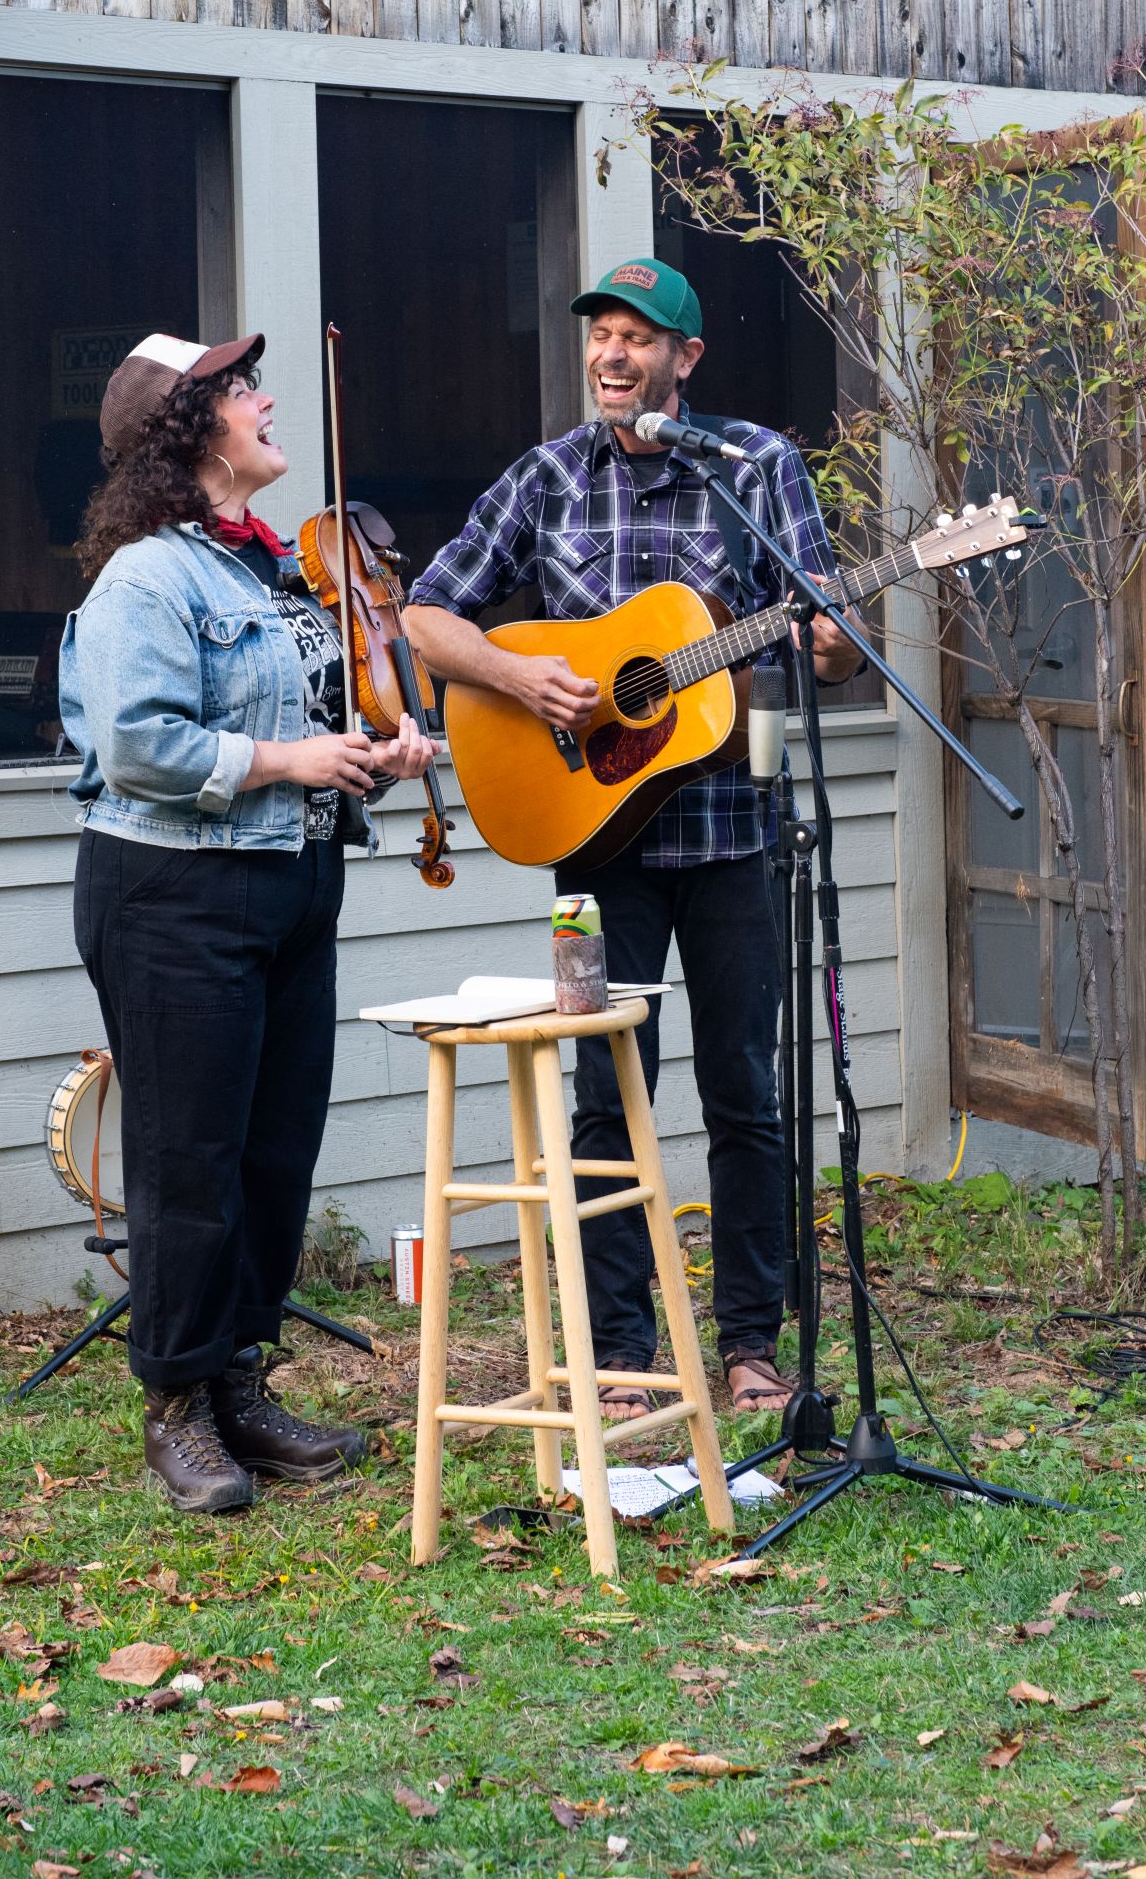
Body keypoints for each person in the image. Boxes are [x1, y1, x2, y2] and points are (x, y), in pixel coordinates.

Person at [404, 258, 856, 1421]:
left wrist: (826, 639)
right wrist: (519, 674)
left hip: (730, 837)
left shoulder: (754, 467)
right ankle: (617, 1352)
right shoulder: (544, 479)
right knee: (608, 1099)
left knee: (745, 1091)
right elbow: (423, 613)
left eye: (637, 338)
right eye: (600, 334)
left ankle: (752, 1343)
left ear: (684, 361)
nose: (612, 355)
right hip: (592, 846)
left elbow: (830, 638)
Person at [61, 329, 437, 1511]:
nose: (267, 402)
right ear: (189, 435)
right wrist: (287, 756)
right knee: (188, 1160)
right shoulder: (147, 578)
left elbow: (305, 730)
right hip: (174, 894)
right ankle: (174, 1409)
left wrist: (371, 754)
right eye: (238, 393)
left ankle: (238, 1379)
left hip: (288, 883)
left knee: (274, 1154)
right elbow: (135, 745)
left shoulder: (267, 570)